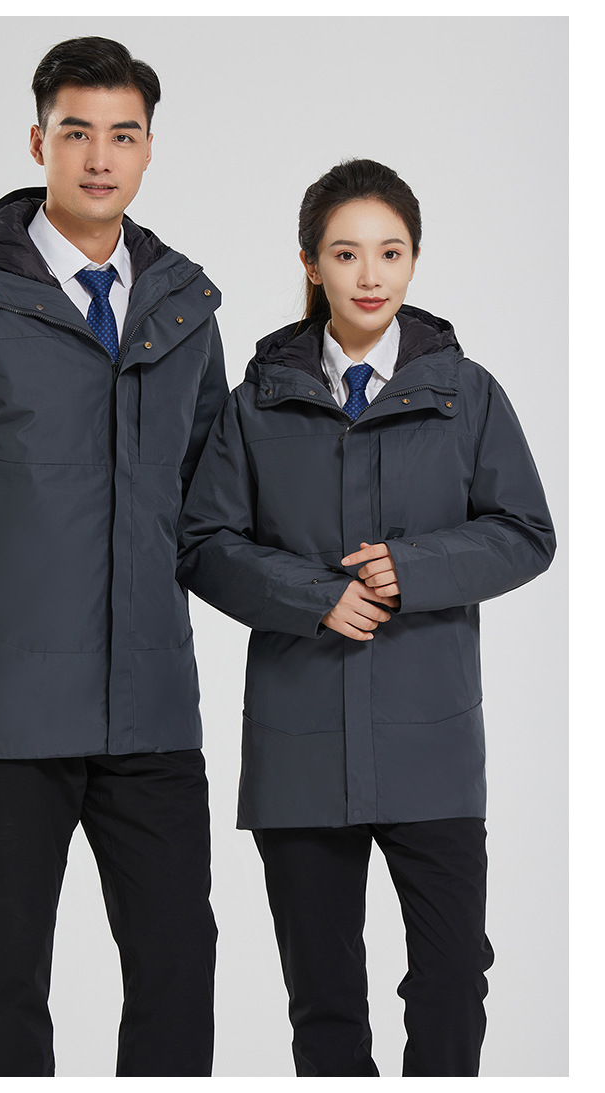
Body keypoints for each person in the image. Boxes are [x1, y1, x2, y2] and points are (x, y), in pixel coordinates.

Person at [0, 36, 227, 1078]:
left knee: (179, 962)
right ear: (39, 143)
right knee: (7, 974)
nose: (99, 157)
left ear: (149, 148)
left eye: (123, 134)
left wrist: (323, 584)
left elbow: (211, 508)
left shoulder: (184, 310)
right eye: (77, 133)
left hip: (150, 707)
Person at [176, 158, 555, 1077]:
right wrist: (315, 597)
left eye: (390, 252)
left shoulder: (468, 394)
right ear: (311, 264)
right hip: (300, 748)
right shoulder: (256, 404)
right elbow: (203, 542)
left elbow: (526, 532)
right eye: (346, 253)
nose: (370, 274)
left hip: (432, 747)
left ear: (415, 260)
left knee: (452, 980)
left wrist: (412, 568)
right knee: (324, 1001)